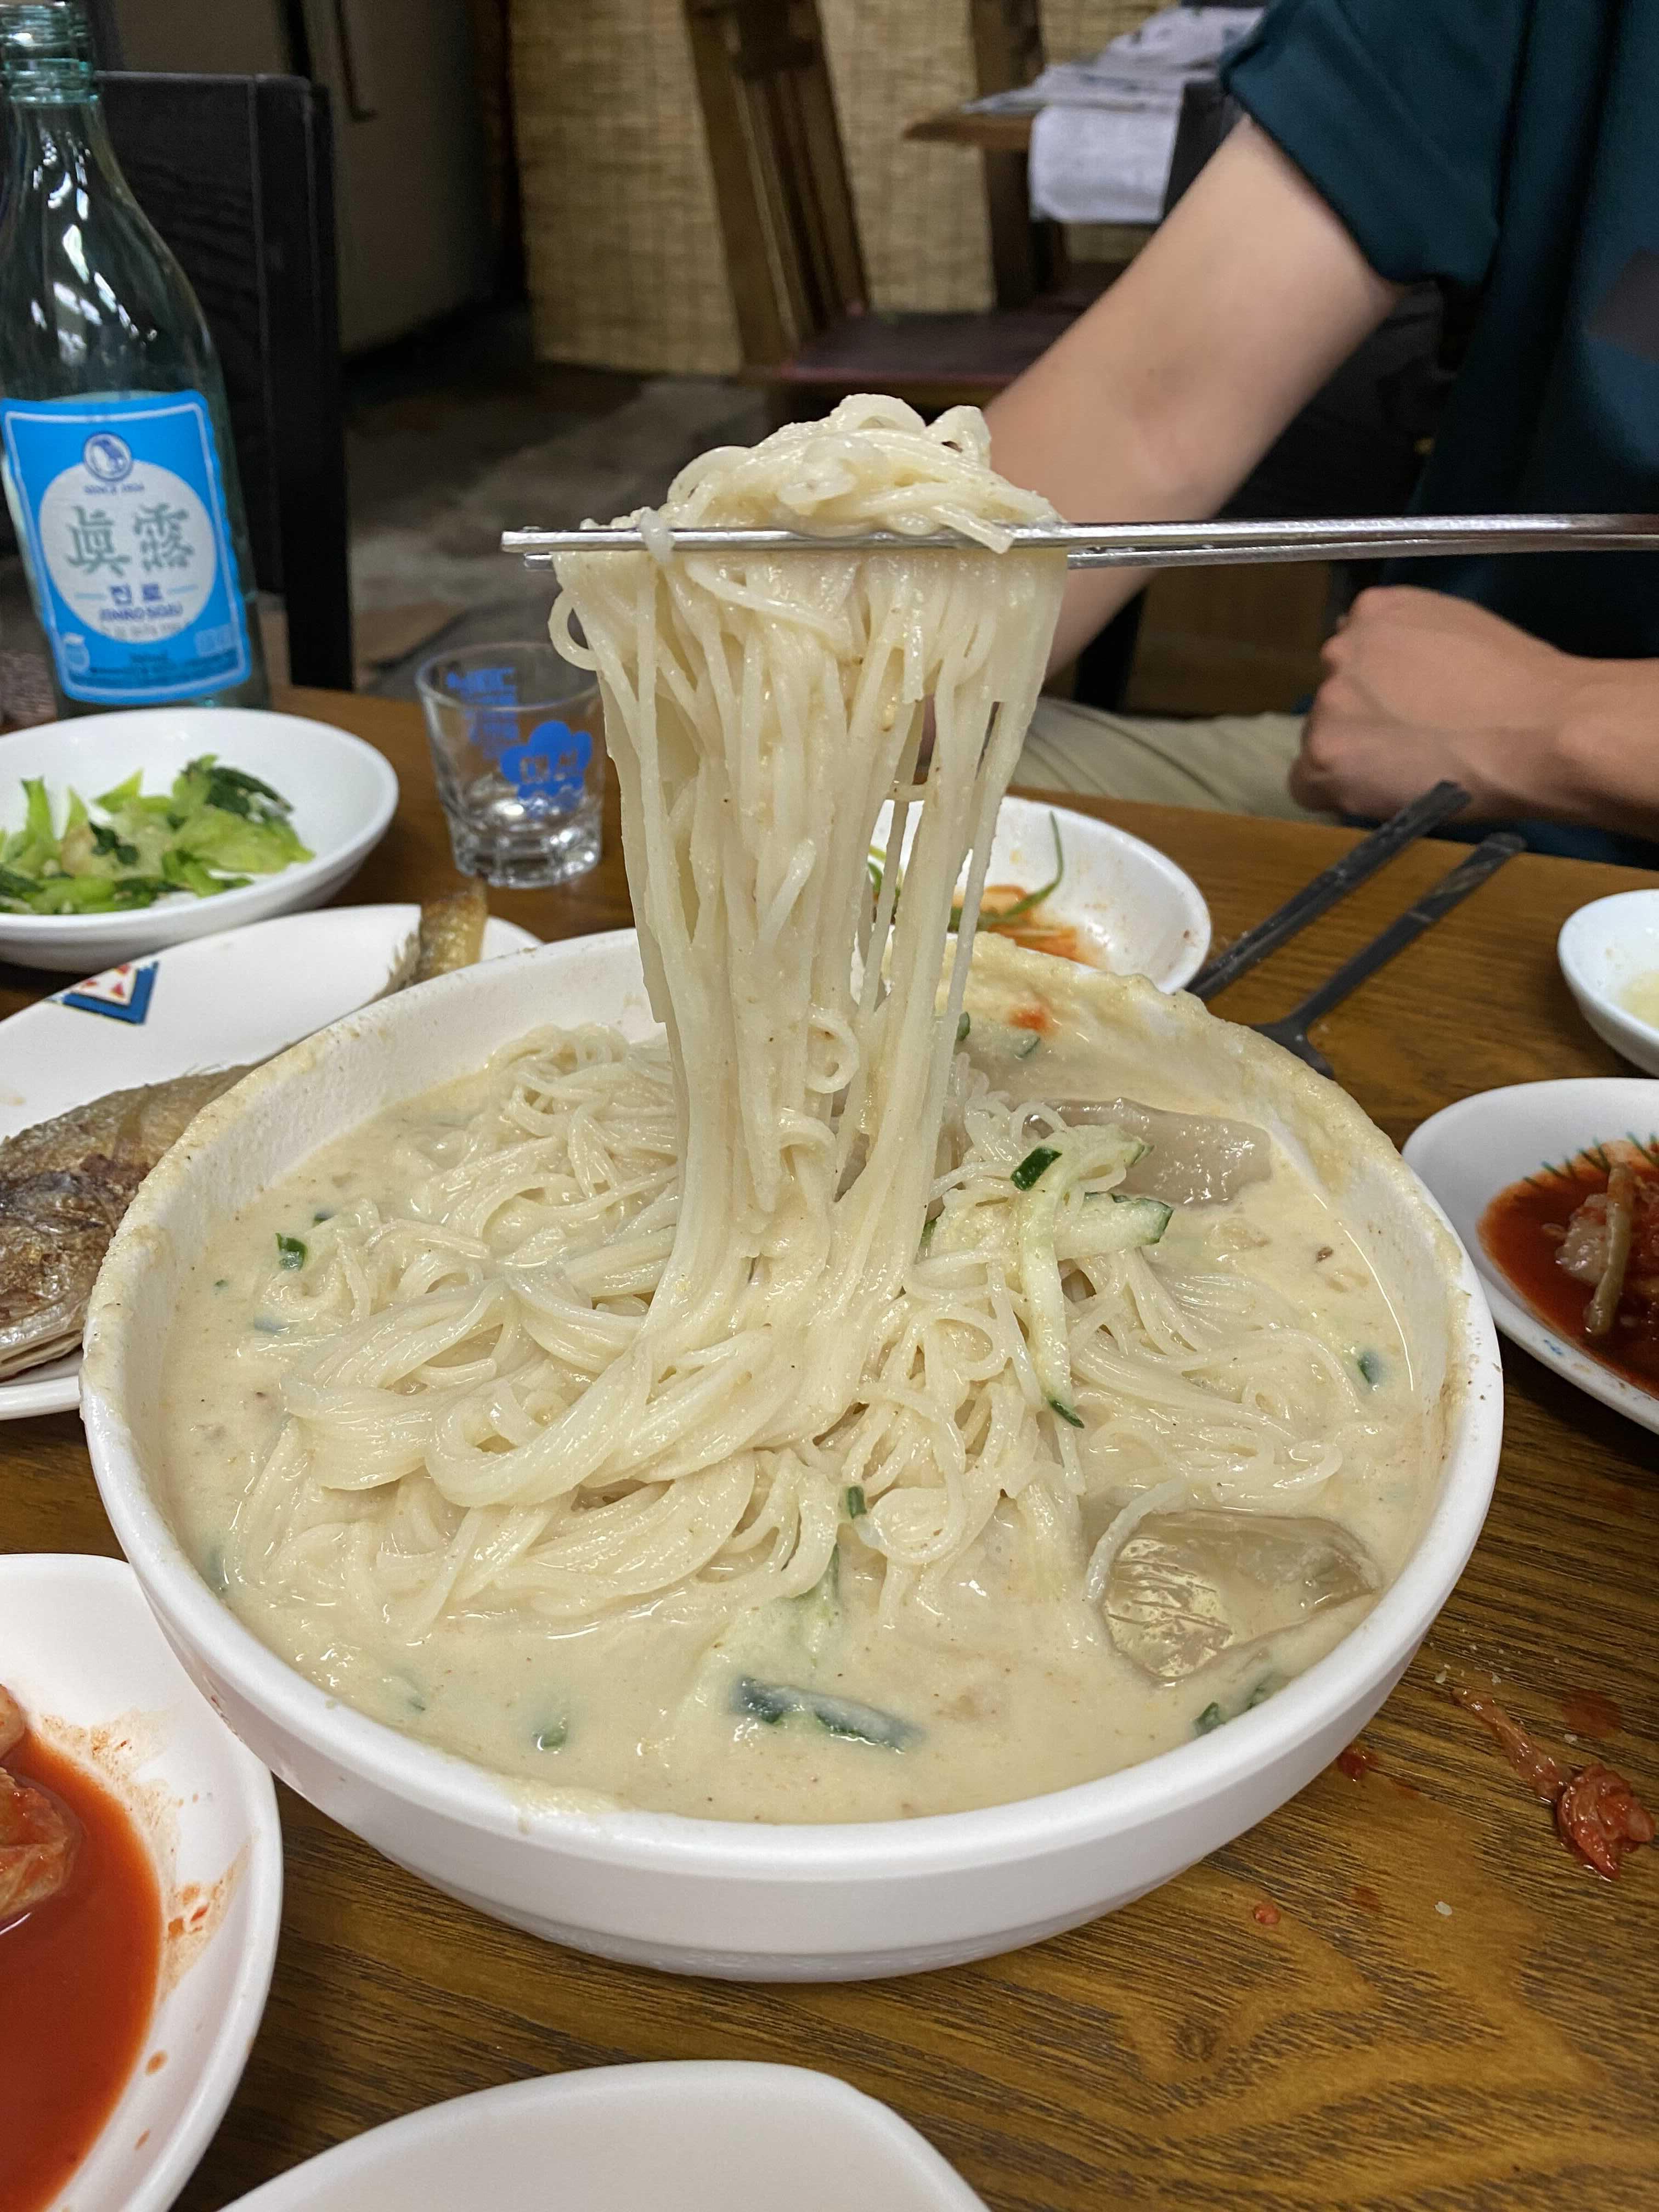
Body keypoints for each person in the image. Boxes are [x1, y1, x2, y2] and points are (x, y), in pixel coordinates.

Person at [986, 0, 1659, 864]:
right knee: (844, 799)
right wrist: (847, 681)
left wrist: (1559, 725)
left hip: (1489, 743)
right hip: (1425, 785)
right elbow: (1150, 409)